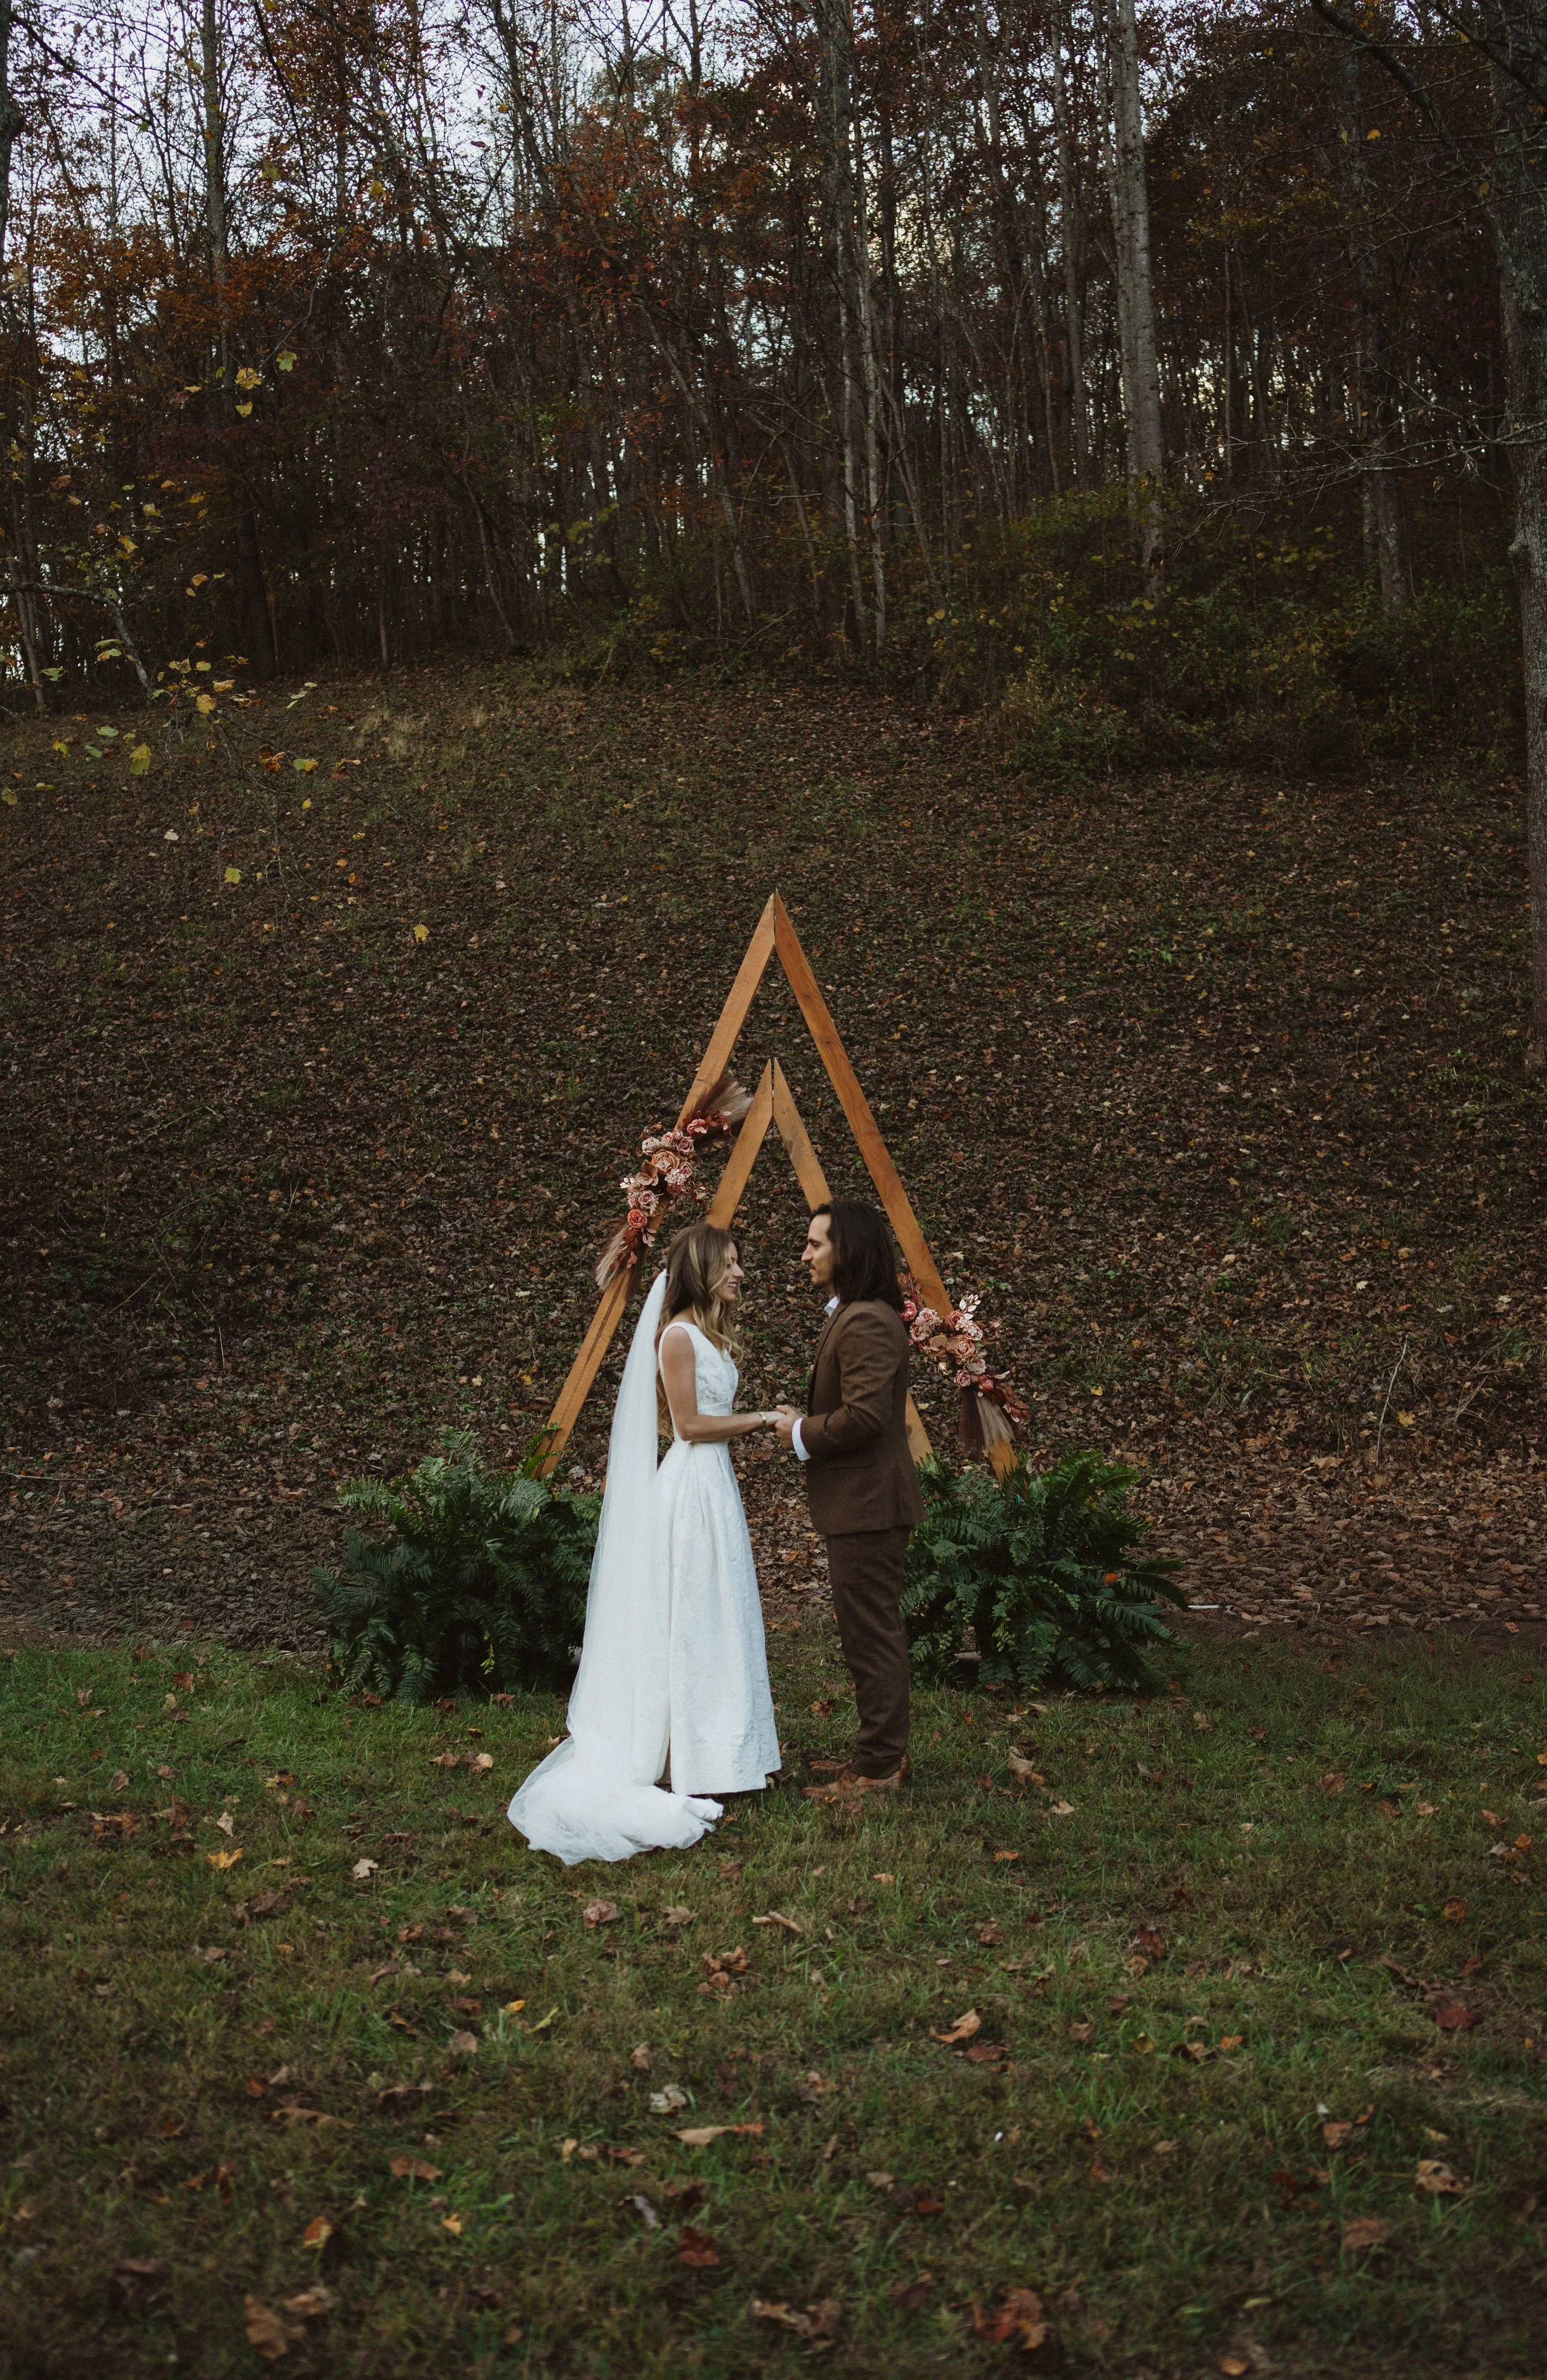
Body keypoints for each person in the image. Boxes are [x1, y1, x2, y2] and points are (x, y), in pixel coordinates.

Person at [507, 1222, 782, 1865]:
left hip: (714, 1485)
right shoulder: (678, 1336)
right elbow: (687, 1425)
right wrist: (764, 1417)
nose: (740, 1272)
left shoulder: (710, 1335)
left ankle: (728, 1748)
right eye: (731, 1263)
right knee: (691, 1613)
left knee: (721, 1611)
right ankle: (691, 1753)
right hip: (691, 1486)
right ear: (703, 1268)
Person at [774, 1201, 925, 1800]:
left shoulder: (865, 1320)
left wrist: (798, 1431)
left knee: (871, 1636)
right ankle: (877, 1755)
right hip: (861, 1504)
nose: (805, 1255)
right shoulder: (857, 1314)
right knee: (869, 1631)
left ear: (849, 1250)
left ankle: (879, 1769)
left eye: (815, 1244)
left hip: (868, 1504)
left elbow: (864, 1415)